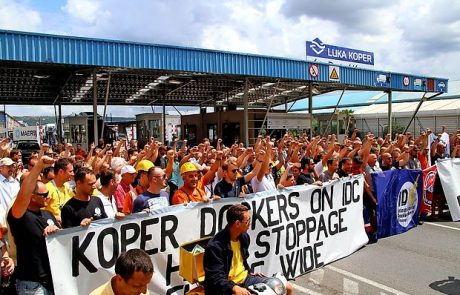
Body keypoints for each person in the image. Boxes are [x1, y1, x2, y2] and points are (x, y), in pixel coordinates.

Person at [203, 204, 293, 295]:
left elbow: (242, 261)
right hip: (227, 286)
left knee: (287, 287)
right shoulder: (215, 246)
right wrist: (233, 287)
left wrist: (250, 272)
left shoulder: (244, 237)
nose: (250, 223)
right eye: (247, 221)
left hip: (245, 279)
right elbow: (215, 277)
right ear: (237, 223)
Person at [8, 155, 60, 295]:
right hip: (32, 285)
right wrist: (38, 167)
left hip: (52, 280)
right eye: (44, 194)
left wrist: (57, 231)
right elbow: (24, 193)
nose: (49, 196)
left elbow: (63, 239)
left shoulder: (48, 214)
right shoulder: (20, 216)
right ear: (32, 196)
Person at [45, 158, 74, 224]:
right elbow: (40, 212)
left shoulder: (67, 187)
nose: (73, 174)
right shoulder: (47, 188)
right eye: (70, 171)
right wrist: (55, 217)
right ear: (61, 172)